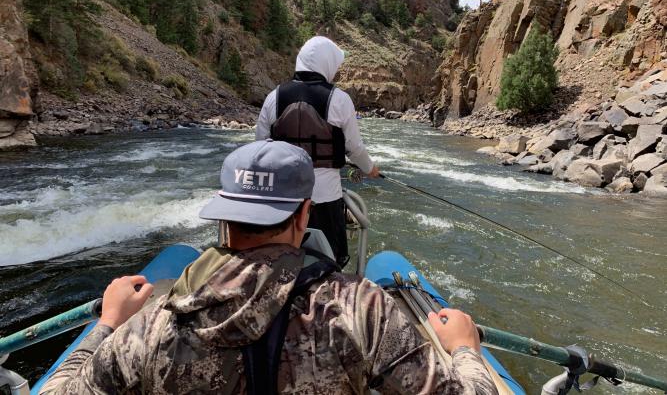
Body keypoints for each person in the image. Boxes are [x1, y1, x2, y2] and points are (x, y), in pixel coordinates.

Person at [40, 140, 497, 394]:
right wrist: (464, 350)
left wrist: (107, 324)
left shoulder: (153, 327)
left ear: (223, 217)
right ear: (303, 215)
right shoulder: (362, 309)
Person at [256, 36, 379, 268]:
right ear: (328, 64)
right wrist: (370, 169)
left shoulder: (274, 97)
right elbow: (355, 149)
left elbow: (260, 146)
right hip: (325, 200)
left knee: (283, 261)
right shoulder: (340, 100)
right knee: (329, 262)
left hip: (281, 199)